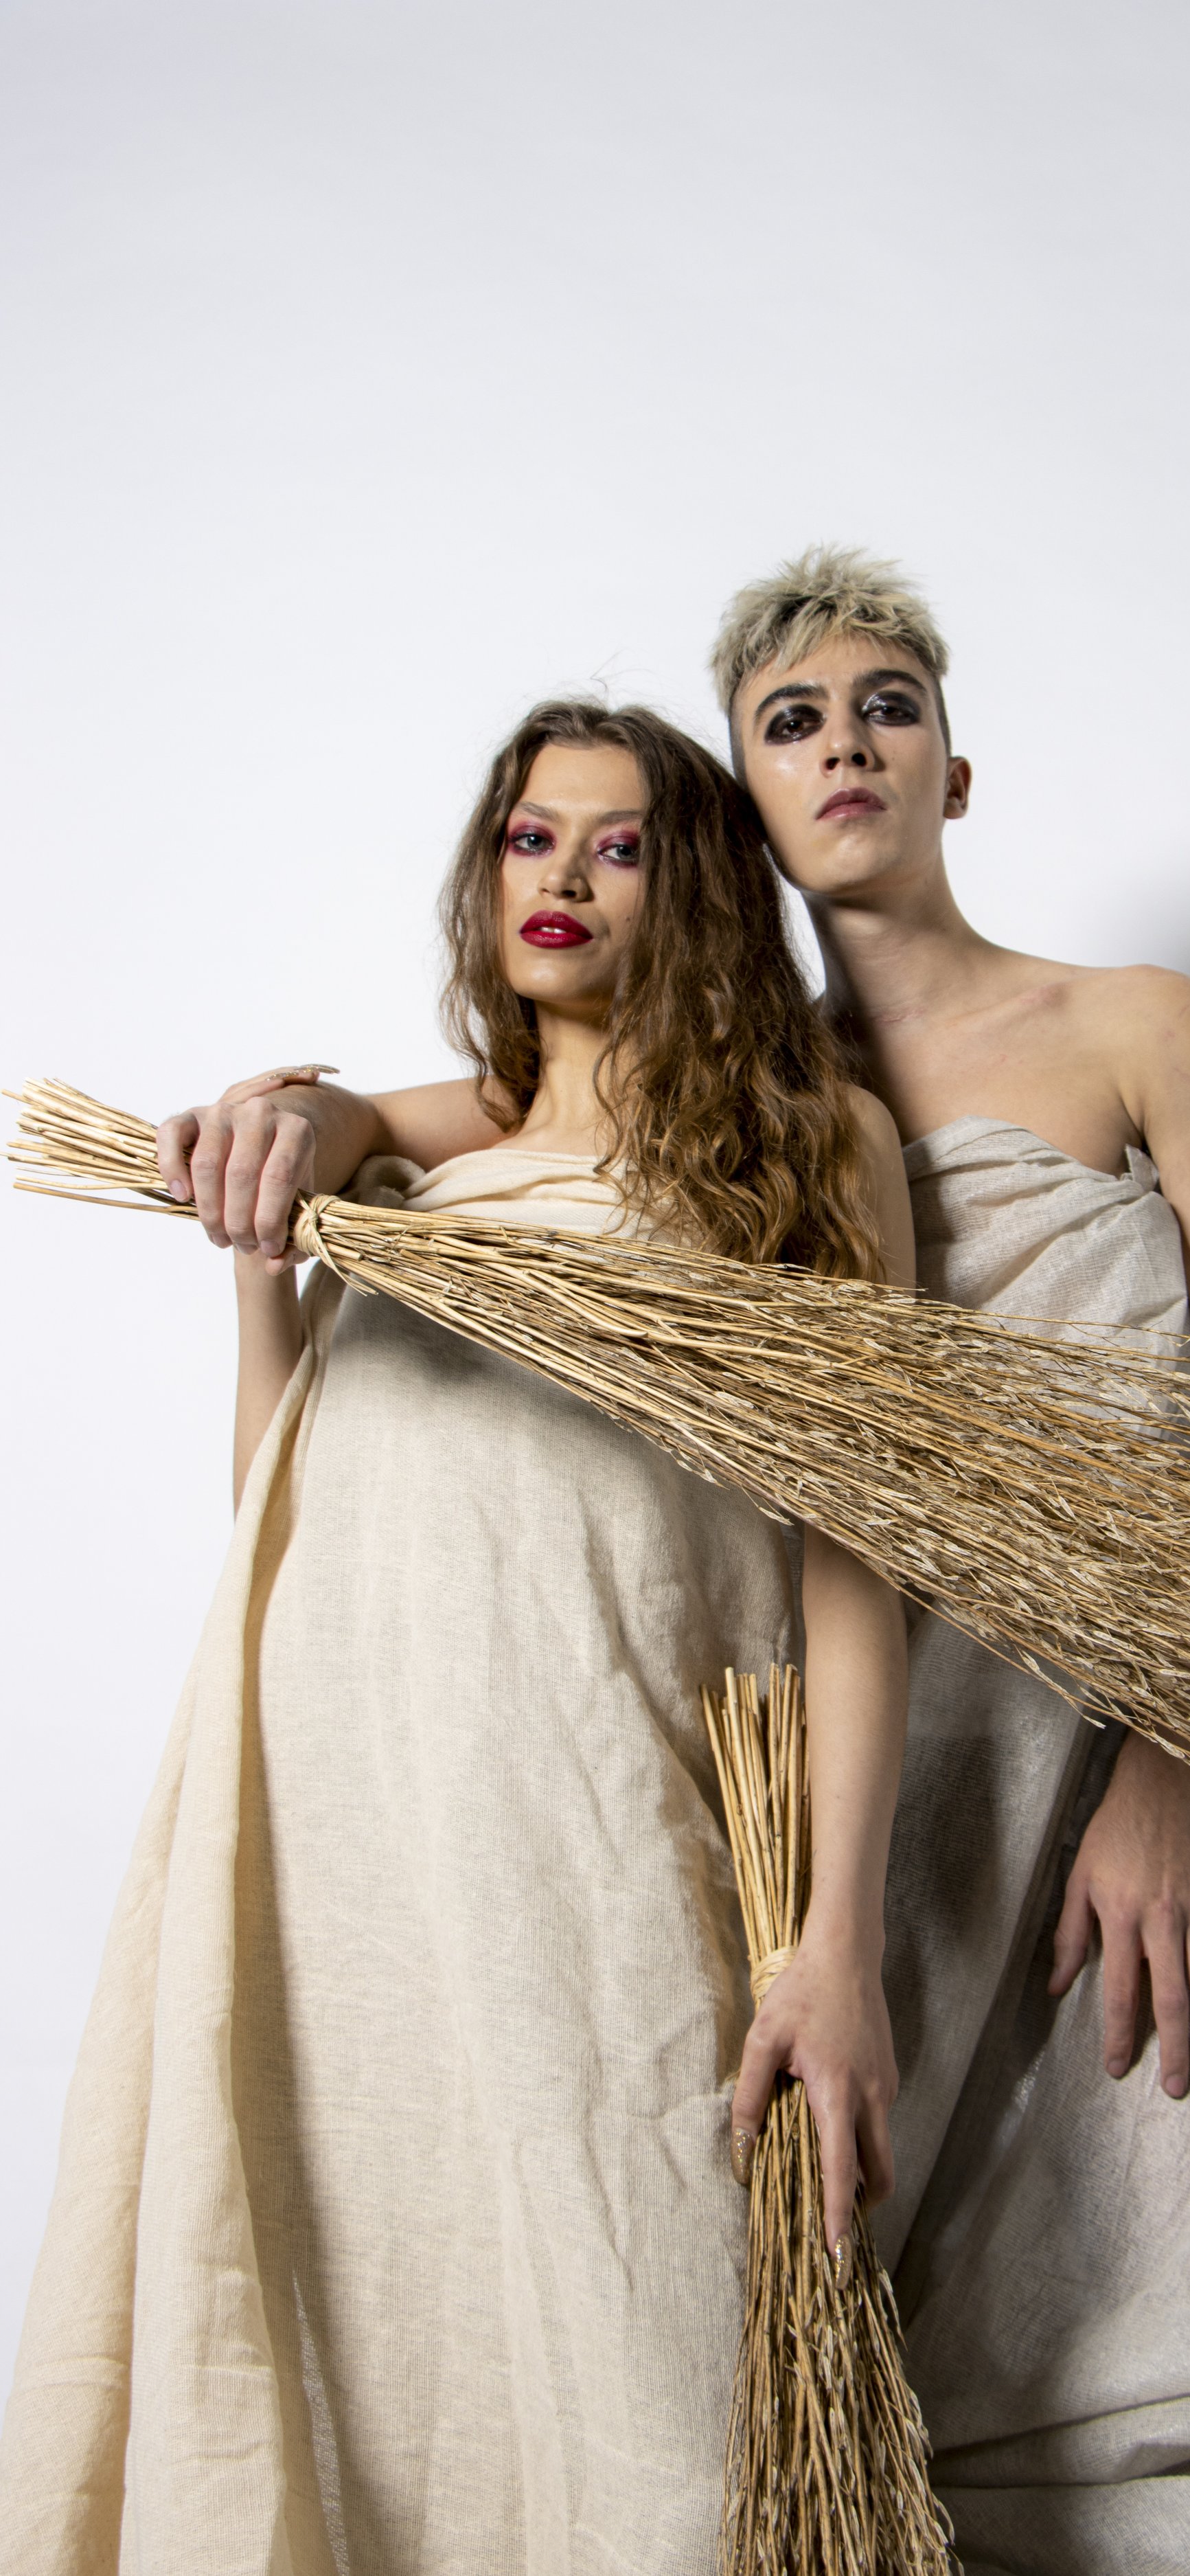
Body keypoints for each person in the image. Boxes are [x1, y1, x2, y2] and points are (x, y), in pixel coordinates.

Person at [145, 554, 1190, 2576]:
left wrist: (1168, 1776)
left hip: (1153, 1725)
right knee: (950, 2333)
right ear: (741, 807)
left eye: (888, 706)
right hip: (911, 1779)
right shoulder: (737, 1094)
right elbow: (391, 1129)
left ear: (954, 769)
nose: (847, 748)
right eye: (794, 722)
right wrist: (274, 1124)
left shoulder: (1133, 1026)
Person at [0, 699, 915, 2576]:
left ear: (699, 889)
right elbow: (286, 1512)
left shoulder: (803, 1151)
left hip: (597, 1814)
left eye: (619, 843)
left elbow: (858, 1568)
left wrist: (841, 1943)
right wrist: (267, 1268)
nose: (561, 876)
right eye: (528, 836)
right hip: (337, 1826)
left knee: (637, 2325)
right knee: (347, 2313)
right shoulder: (422, 1177)